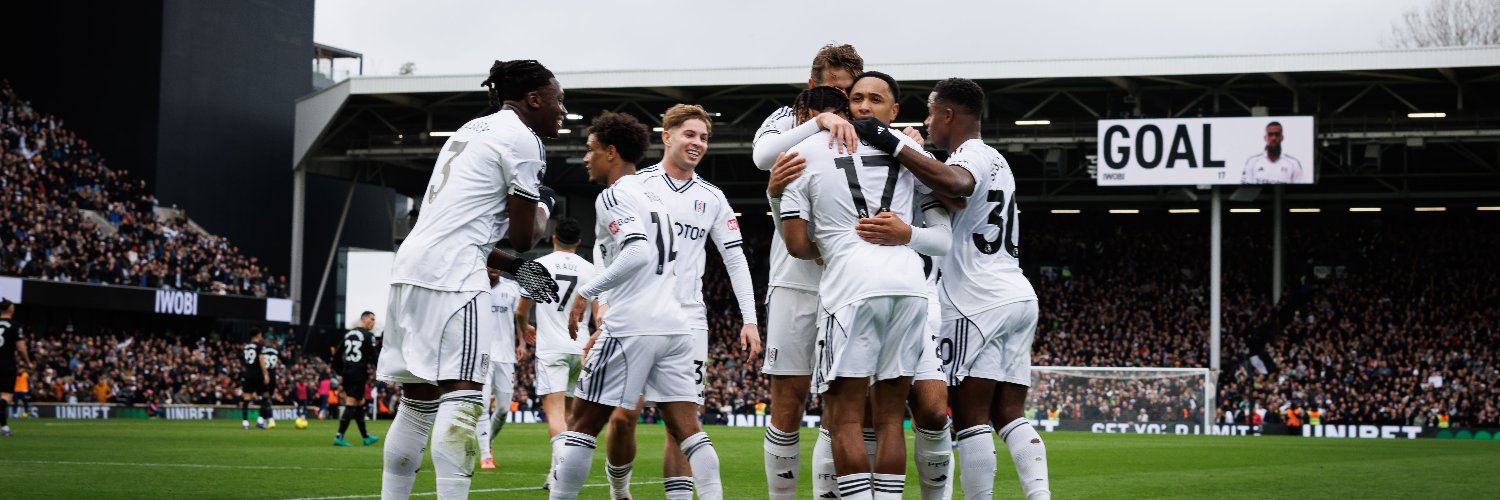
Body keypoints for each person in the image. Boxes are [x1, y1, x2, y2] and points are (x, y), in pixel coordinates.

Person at [377, 59, 565, 500]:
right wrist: (545, 207)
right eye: (559, 101)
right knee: (462, 404)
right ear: (534, 99)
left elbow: (463, 229)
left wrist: (516, 269)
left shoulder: (470, 129)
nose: (562, 111)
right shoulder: (524, 140)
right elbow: (523, 235)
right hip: (454, 279)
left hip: (411, 268)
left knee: (417, 405)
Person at [856, 77, 1050, 500]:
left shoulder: (973, 154)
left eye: (928, 113)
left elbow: (958, 184)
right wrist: (918, 154)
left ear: (947, 114)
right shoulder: (997, 159)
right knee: (1009, 413)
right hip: (1016, 292)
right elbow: (954, 193)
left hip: (975, 299)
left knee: (969, 415)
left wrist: (892, 143)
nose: (925, 122)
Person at [549, 111, 724, 500]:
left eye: (590, 150)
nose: (585, 158)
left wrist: (587, 292)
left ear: (611, 152)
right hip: (676, 325)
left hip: (632, 325)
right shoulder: (655, 197)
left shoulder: (615, 194)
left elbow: (637, 253)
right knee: (689, 430)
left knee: (581, 425)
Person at [776, 85, 931, 500]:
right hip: (910, 284)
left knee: (844, 419)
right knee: (889, 418)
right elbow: (946, 194)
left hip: (852, 288)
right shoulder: (902, 143)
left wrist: (828, 244)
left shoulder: (800, 155)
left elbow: (795, 246)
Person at [601, 104, 761, 500]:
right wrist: (603, 303)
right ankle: (619, 492)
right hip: (636, 312)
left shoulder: (713, 197)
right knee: (624, 416)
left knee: (682, 425)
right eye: (690, 134)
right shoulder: (636, 186)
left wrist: (750, 319)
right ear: (666, 136)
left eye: (704, 137)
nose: (698, 143)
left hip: (688, 320)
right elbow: (610, 250)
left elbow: (735, 259)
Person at [750, 43, 864, 500]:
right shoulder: (788, 116)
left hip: (850, 279)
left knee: (840, 405)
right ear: (813, 84)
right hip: (794, 277)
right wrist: (818, 121)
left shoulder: (866, 125)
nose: (842, 99)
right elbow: (762, 159)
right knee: (789, 401)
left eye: (850, 91)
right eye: (833, 89)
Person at [843, 71, 956, 500]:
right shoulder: (830, 154)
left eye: (875, 99)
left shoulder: (912, 156)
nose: (864, 107)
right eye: (856, 99)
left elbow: (943, 239)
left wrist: (906, 233)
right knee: (859, 415)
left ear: (894, 111)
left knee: (929, 409)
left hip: (915, 297)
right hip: (851, 295)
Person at [517, 218, 596, 488]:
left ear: (553, 238)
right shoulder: (591, 270)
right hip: (581, 346)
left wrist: (524, 328)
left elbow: (520, 310)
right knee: (572, 416)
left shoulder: (537, 266)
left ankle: (560, 477)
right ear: (578, 242)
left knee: (555, 415)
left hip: (552, 348)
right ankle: (555, 474)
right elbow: (598, 315)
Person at [479, 269, 523, 470]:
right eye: (490, 264)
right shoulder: (475, 287)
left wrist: (522, 342)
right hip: (481, 355)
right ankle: (485, 456)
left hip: (506, 355)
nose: (493, 268)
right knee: (483, 404)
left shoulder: (512, 289)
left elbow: (520, 317)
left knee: (504, 409)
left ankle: (487, 441)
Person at [334, 312, 380, 447]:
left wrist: (339, 371)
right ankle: (339, 436)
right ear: (364, 319)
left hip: (348, 372)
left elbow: (338, 352)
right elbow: (374, 356)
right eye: (372, 319)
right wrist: (381, 371)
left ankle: (365, 437)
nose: (373, 322)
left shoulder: (349, 334)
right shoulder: (368, 336)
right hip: (358, 373)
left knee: (360, 403)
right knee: (352, 402)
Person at [0, 299, 32, 437]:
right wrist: (28, 362)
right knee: (6, 397)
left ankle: (5, 428)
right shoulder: (14, 325)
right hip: (6, 364)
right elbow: (20, 347)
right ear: (10, 309)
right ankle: (5, 429)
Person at [1241, 121, 1306, 184]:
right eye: (1270, 134)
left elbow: (1299, 191)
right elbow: (1245, 188)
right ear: (1265, 138)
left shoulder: (1294, 164)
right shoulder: (1252, 162)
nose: (1274, 138)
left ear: (1282, 138)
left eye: (1277, 134)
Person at [240, 329, 270, 430]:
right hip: (257, 375)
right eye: (260, 335)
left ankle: (245, 422)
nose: (261, 337)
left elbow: (245, 362)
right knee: (265, 396)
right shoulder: (259, 347)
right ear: (257, 335)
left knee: (246, 399)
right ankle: (260, 421)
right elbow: (261, 360)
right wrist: (266, 374)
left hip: (247, 375)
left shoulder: (246, 347)